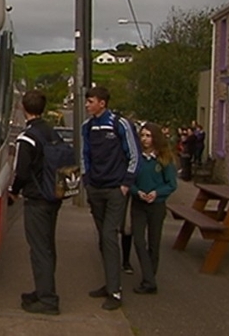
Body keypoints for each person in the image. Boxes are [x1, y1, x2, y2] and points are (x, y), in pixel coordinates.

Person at [81, 86, 140, 311]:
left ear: (102, 103)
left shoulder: (120, 124)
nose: (87, 105)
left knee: (109, 235)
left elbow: (133, 155)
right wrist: (87, 180)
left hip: (115, 189)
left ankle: (115, 291)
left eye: (91, 101)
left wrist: (126, 184)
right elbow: (84, 154)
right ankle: (109, 283)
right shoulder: (87, 127)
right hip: (95, 187)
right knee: (102, 238)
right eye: (86, 101)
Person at [8, 89, 63, 316]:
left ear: (23, 108)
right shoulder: (52, 133)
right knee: (48, 246)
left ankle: (48, 299)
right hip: (53, 195)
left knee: (39, 249)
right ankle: (42, 290)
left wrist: (14, 191)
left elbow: (21, 172)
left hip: (36, 198)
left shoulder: (27, 137)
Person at [131, 122, 177, 294]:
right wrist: (137, 192)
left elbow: (171, 184)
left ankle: (149, 279)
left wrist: (156, 193)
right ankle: (149, 279)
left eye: (148, 136)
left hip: (156, 205)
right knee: (138, 240)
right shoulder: (136, 158)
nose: (145, 139)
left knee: (154, 243)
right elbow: (130, 181)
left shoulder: (164, 159)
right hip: (139, 204)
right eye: (142, 135)